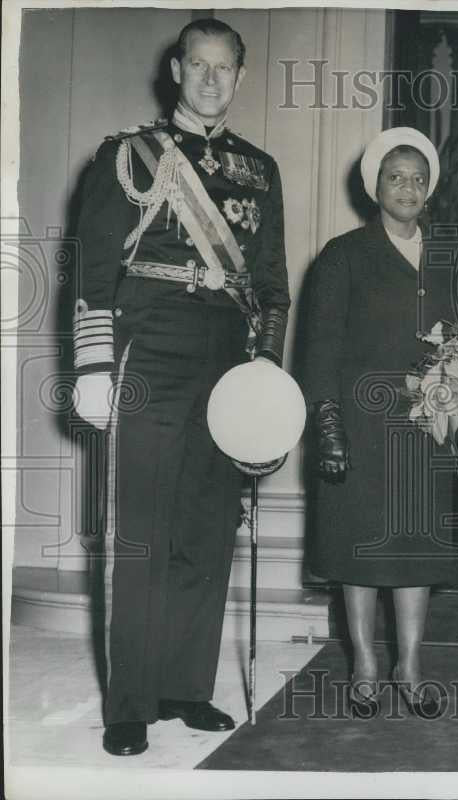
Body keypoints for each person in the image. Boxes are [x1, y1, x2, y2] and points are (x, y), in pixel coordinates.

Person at [71, 19, 289, 756]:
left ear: (241, 78)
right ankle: (129, 701)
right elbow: (94, 268)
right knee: (140, 534)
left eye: (223, 68)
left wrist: (266, 377)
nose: (209, 79)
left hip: (226, 360)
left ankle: (184, 687)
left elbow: (271, 287)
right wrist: (94, 367)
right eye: (197, 65)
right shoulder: (127, 156)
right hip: (148, 348)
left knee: (204, 530)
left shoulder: (262, 170)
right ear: (175, 70)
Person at [300, 127, 458, 719]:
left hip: (427, 430)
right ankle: (366, 664)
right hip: (361, 429)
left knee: (417, 549)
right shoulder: (343, 255)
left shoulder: (447, 255)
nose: (408, 187)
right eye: (396, 176)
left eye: (419, 178)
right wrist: (327, 426)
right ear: (375, 186)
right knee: (361, 551)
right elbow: (317, 351)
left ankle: (411, 664)